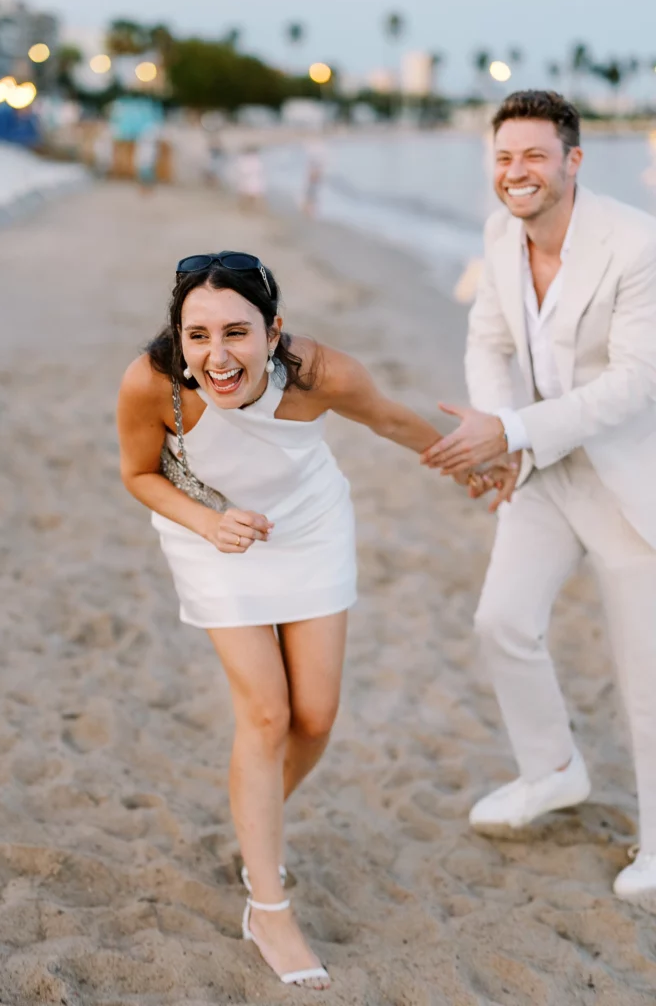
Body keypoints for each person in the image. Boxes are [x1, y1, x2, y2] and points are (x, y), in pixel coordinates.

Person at [117, 252, 492, 989]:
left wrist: (474, 465)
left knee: (314, 717)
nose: (217, 357)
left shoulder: (321, 373)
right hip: (214, 537)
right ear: (178, 337)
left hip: (310, 528)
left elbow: (390, 421)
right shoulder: (151, 382)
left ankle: (257, 824)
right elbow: (138, 474)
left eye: (237, 333)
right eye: (197, 336)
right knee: (266, 715)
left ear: (273, 330)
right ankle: (268, 904)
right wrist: (207, 521)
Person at [422, 90, 656, 906]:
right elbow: (487, 339)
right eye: (504, 158)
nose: (516, 173)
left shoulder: (635, 244)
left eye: (533, 156)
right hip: (543, 469)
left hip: (630, 478)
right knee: (503, 621)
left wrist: (513, 434)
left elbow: (630, 387)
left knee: (644, 670)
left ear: (573, 162)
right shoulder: (498, 235)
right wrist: (500, 429)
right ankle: (552, 769)